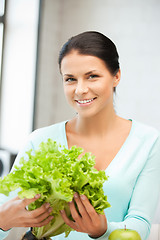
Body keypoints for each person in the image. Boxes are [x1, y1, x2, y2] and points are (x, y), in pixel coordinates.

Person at [0, 31, 160, 240]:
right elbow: (8, 212)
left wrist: (102, 231)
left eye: (92, 76)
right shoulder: (39, 141)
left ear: (116, 76)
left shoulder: (148, 141)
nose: (80, 89)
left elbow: (140, 223)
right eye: (70, 79)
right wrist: (3, 220)